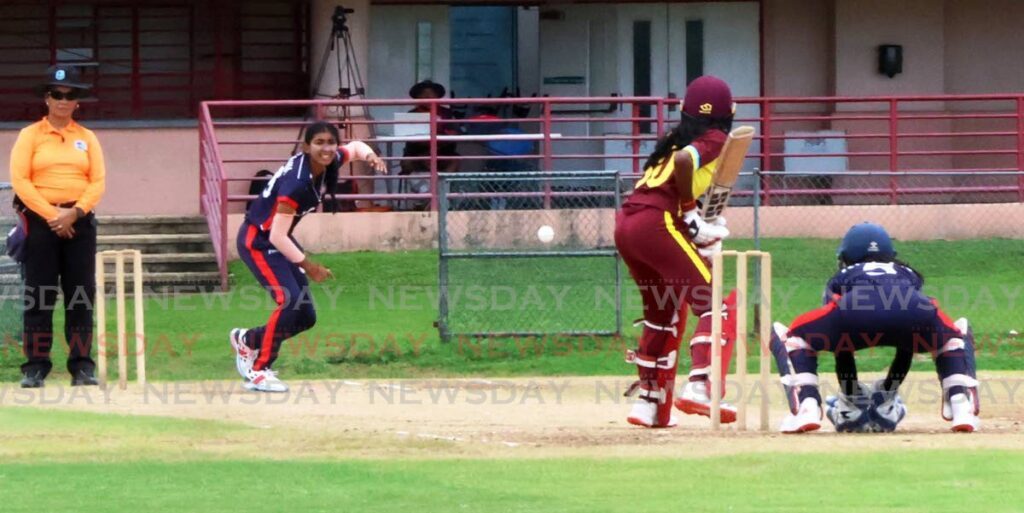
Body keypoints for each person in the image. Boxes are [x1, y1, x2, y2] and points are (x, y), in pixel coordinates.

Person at [769, 222, 981, 433]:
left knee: (792, 335)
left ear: (848, 254)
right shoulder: (906, 271)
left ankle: (808, 406)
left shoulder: (845, 274)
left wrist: (849, 389)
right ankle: (960, 403)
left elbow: (841, 343)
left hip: (855, 309)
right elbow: (906, 337)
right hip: (915, 309)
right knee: (954, 335)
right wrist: (890, 387)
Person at [614, 75, 738, 428]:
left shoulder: (671, 141)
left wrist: (696, 228)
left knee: (662, 312)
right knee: (712, 299)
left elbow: (668, 177)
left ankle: (648, 402)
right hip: (657, 223)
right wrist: (690, 213)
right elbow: (685, 164)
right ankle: (700, 384)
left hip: (627, 224)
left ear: (685, 111)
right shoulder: (713, 138)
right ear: (728, 112)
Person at [229, 121, 386, 392]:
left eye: (330, 142)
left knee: (305, 316)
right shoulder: (297, 183)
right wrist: (309, 266)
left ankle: (249, 340)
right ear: (306, 147)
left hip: (278, 240)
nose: (326, 148)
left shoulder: (329, 160)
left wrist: (371, 155)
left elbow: (357, 148)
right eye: (319, 143)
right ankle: (258, 370)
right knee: (289, 301)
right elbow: (276, 236)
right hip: (258, 241)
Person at [9, 65, 105, 388]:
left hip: (78, 222)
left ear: (77, 102)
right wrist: (52, 215)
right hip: (40, 222)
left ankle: (81, 366)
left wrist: (74, 213)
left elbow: (98, 181)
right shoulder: (30, 135)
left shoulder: (87, 137)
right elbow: (20, 180)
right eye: (57, 95)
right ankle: (35, 366)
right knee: (40, 294)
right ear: (47, 99)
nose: (63, 101)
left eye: (71, 95)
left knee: (80, 295)